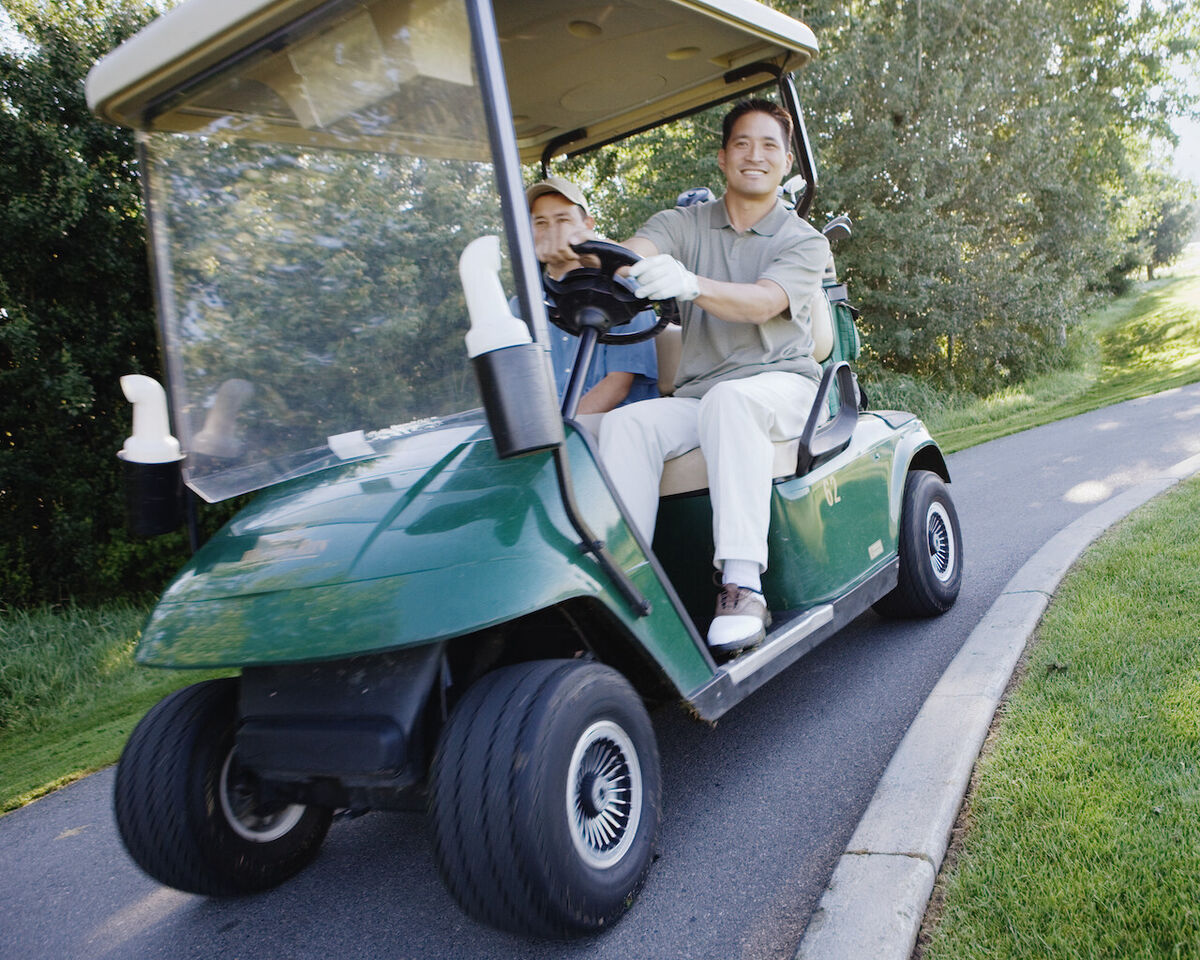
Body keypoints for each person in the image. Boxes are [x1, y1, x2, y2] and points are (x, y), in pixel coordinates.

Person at [553, 99, 831, 653]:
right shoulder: (684, 223)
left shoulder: (803, 240)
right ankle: (623, 585)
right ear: (724, 158)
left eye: (769, 145)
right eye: (742, 144)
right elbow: (635, 251)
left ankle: (742, 585)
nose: (755, 155)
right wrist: (601, 260)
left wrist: (690, 284)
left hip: (787, 386)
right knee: (631, 425)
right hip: (704, 395)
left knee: (731, 402)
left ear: (785, 162)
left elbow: (761, 302)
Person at [521, 177, 658, 414]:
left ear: (588, 225)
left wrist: (561, 434)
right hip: (549, 430)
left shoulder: (623, 293)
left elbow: (616, 387)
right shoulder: (523, 306)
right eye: (541, 223)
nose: (552, 231)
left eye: (562, 220)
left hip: (611, 423)